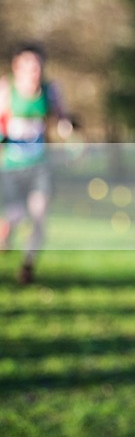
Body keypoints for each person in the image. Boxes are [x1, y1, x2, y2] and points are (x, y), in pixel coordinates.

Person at [0, 42, 72, 284]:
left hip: (40, 165)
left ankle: (27, 265)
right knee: (16, 216)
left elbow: (61, 116)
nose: (34, 73)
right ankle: (4, 234)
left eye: (38, 67)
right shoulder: (6, 89)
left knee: (39, 216)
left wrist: (66, 126)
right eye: (29, 67)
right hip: (11, 166)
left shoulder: (50, 90)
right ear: (16, 67)